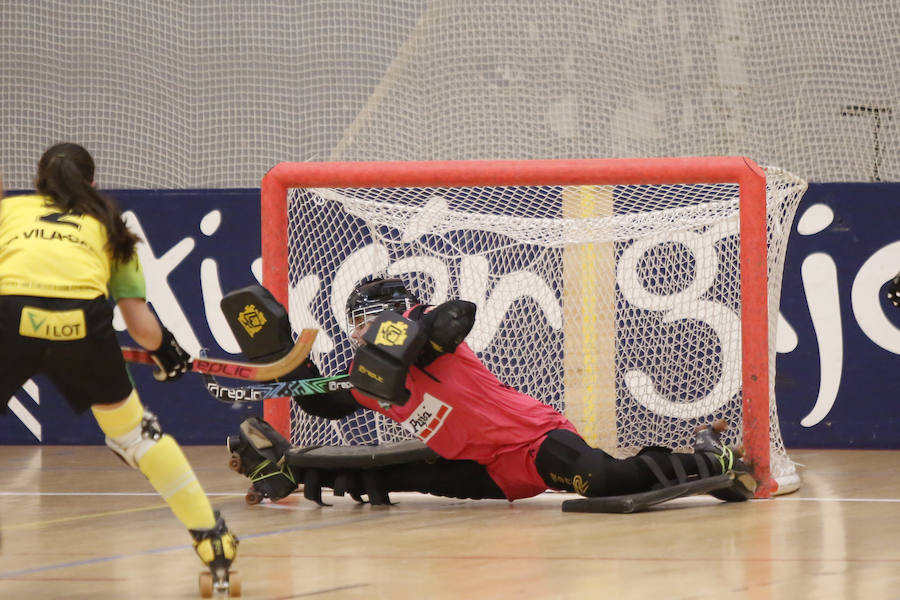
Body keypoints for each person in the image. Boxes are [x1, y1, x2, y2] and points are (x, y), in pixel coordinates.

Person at [230, 276, 757, 512]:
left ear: (395, 316)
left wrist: (408, 340)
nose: (359, 333)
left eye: (366, 322)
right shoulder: (366, 379)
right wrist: (281, 364)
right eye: (355, 325)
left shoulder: (430, 342)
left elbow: (459, 311)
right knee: (390, 477)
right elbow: (319, 402)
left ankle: (707, 460)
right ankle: (285, 470)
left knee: (602, 478)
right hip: (480, 467)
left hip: (532, 442)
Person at [0, 143, 237, 589]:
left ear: (37, 181)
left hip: (9, 317)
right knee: (135, 436)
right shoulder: (111, 225)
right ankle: (212, 540)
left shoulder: (10, 211)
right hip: (81, 327)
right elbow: (141, 328)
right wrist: (168, 350)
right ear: (92, 183)